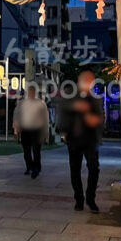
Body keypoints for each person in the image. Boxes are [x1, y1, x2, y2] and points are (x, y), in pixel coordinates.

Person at [56, 69, 103, 212]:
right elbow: (63, 107)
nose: (88, 83)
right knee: (75, 170)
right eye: (86, 80)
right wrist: (74, 106)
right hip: (74, 137)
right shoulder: (70, 93)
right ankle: (79, 199)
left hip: (90, 139)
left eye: (91, 81)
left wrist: (95, 121)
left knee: (94, 168)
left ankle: (90, 198)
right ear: (79, 80)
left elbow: (100, 117)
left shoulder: (95, 98)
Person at [12, 83, 49, 179]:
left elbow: (45, 118)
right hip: (25, 130)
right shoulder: (22, 104)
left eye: (33, 91)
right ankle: (30, 166)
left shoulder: (40, 103)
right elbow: (16, 116)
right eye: (30, 91)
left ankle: (36, 168)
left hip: (37, 130)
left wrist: (45, 132)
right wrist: (16, 130)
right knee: (26, 151)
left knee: (36, 150)